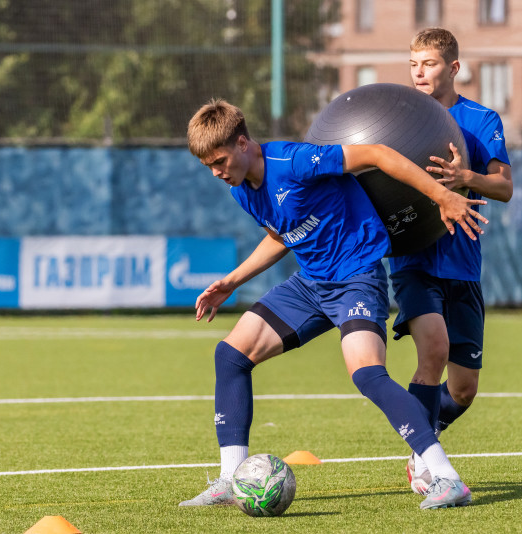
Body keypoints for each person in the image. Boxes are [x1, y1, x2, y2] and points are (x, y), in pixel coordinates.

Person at [179, 98, 487, 509]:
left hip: (356, 277)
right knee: (231, 356)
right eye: (208, 167)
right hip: (310, 285)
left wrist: (441, 195)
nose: (217, 172)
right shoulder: (243, 191)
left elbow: (377, 154)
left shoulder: (294, 161)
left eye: (219, 161)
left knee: (368, 375)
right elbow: (281, 235)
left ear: (242, 143)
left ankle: (446, 478)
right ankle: (230, 481)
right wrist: (231, 282)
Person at [392, 28, 513, 494]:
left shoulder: (481, 120)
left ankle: (425, 436)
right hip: (415, 262)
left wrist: (466, 177)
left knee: (464, 389)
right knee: (434, 351)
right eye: (413, 64)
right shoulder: (397, 119)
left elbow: (504, 187)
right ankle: (427, 458)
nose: (419, 73)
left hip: (463, 266)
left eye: (429, 64)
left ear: (454, 67)